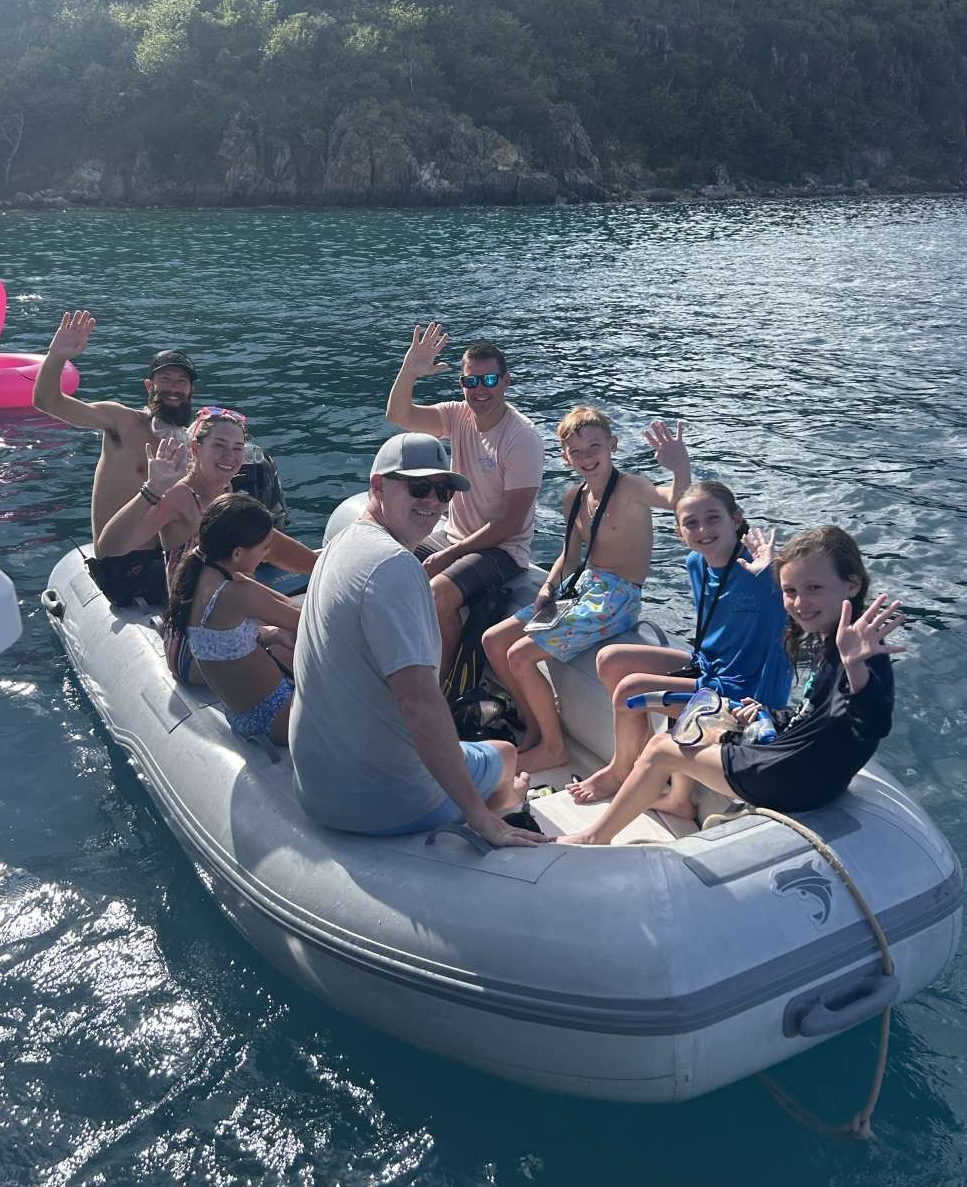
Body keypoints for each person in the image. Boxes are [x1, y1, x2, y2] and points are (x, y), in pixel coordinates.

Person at [557, 526, 905, 844]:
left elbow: (873, 722)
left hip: (796, 778)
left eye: (814, 588)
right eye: (790, 591)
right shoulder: (833, 639)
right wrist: (771, 714)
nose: (800, 603)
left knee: (661, 749)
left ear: (852, 585)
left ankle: (594, 837)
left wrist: (855, 667)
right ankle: (678, 801)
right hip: (799, 763)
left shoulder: (860, 652)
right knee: (704, 715)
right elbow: (816, 712)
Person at [289, 432, 540, 845]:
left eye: (443, 492)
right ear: (377, 486)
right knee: (506, 754)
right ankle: (504, 810)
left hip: (317, 788)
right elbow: (418, 703)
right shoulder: (394, 566)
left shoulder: (341, 544)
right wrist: (478, 815)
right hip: (386, 801)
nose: (433, 502)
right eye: (419, 488)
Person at [482, 406, 691, 773]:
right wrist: (548, 587)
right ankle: (535, 725)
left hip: (617, 597)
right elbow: (570, 555)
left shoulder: (632, 488)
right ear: (565, 457)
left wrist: (680, 465)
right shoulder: (574, 498)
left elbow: (677, 500)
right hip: (580, 589)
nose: (586, 457)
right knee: (493, 641)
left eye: (594, 447)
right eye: (576, 452)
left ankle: (553, 748)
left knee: (520, 656)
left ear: (612, 444)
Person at [33, 312, 289, 604]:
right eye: (165, 379)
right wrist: (57, 355)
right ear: (148, 386)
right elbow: (47, 401)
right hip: (124, 564)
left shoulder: (190, 440)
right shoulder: (121, 422)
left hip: (166, 555)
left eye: (181, 381)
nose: (174, 388)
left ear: (190, 390)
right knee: (230, 586)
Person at [567, 479, 788, 813]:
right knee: (611, 659)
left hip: (745, 693)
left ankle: (623, 773)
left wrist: (775, 573)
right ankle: (657, 771)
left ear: (736, 519)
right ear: (679, 533)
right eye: (691, 523)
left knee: (630, 690)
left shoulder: (764, 574)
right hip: (711, 668)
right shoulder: (696, 563)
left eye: (713, 518)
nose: (703, 530)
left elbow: (800, 605)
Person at [95, 409, 316, 681]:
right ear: (195, 448)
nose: (230, 457)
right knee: (306, 653)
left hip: (232, 619)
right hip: (196, 640)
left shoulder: (227, 492)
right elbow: (109, 547)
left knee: (305, 624)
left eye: (237, 448)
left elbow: (272, 544)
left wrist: (326, 567)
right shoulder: (180, 497)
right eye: (219, 446)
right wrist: (152, 489)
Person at [385, 323, 544, 674]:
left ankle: (440, 686)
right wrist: (409, 370)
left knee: (437, 595)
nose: (479, 389)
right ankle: (393, 664)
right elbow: (399, 415)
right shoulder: (458, 415)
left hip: (502, 551)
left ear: (505, 381)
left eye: (489, 380)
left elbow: (511, 523)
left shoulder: (522, 438)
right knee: (385, 561)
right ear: (462, 385)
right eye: (471, 381)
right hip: (454, 535)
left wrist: (450, 554)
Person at [164, 495, 301, 746]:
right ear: (237, 553)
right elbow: (307, 623)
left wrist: (270, 635)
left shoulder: (200, 573)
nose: (267, 555)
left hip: (244, 715)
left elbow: (224, 642)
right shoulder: (238, 595)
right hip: (278, 713)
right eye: (264, 548)